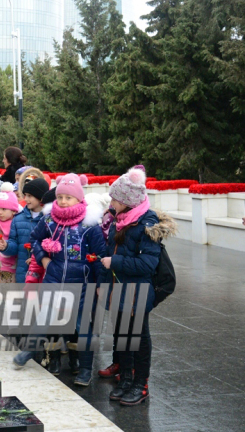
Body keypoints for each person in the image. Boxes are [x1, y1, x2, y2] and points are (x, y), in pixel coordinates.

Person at [99, 167, 176, 406]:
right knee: (122, 335)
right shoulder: (118, 221)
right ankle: (126, 379)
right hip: (120, 289)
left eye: (115, 198)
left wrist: (115, 262)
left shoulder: (146, 224)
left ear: (127, 202)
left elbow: (147, 264)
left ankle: (141, 384)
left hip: (138, 291)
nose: (111, 202)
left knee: (139, 337)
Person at [26, 174, 106, 386]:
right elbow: (34, 238)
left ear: (79, 199)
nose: (62, 201)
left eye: (68, 197)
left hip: (81, 285)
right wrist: (43, 259)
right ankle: (53, 362)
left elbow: (99, 256)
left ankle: (85, 369)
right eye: (59, 196)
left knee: (81, 327)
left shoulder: (90, 224)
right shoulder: (50, 219)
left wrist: (100, 284)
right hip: (53, 280)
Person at [0, 178, 50, 282]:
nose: (26, 199)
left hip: (43, 274)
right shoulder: (18, 219)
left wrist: (38, 258)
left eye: (30, 196)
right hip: (23, 273)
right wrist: (6, 246)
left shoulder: (49, 219)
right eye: (25, 195)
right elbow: (14, 243)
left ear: (40, 198)